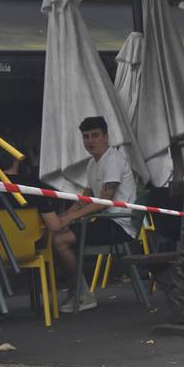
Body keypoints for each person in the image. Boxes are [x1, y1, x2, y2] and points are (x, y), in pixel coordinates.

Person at [54, 116, 138, 313]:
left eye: (95, 135)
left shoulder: (113, 159)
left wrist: (71, 218)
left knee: (61, 241)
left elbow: (105, 200)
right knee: (57, 234)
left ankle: (83, 293)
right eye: (86, 137)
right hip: (102, 221)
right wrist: (63, 216)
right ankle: (77, 290)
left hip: (118, 224)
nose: (90, 141)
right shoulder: (93, 163)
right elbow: (85, 198)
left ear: (106, 136)